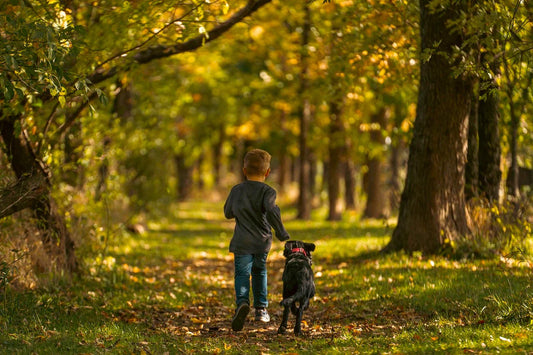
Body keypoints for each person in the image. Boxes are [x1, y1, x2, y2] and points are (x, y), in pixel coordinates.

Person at [224, 148, 290, 331]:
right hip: (262, 242)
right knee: (260, 272)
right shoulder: (268, 192)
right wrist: (282, 233)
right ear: (267, 172)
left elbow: (227, 213)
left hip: (241, 242)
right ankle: (261, 309)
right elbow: (271, 211)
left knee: (242, 274)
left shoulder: (236, 190)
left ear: (244, 170)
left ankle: (242, 304)